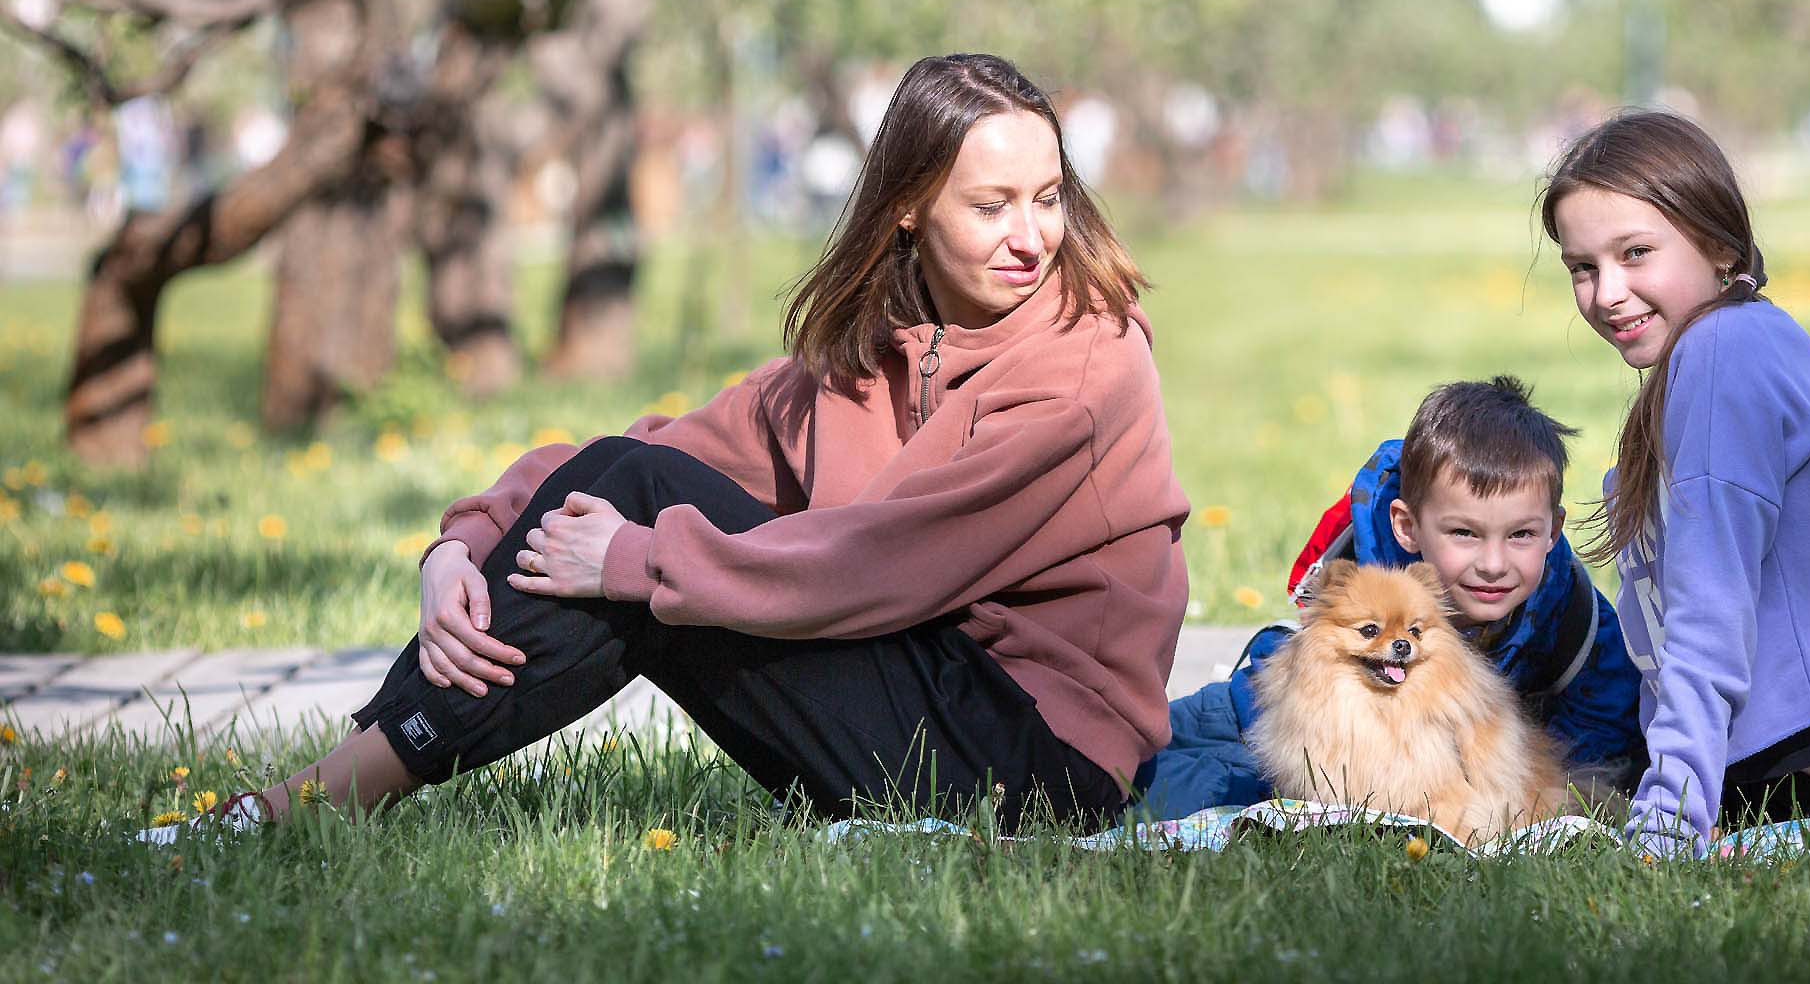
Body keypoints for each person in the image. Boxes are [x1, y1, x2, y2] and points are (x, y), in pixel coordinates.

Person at [153, 53, 1185, 842]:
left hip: (1041, 767)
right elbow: (651, 447)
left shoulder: (1088, 365)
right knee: (631, 478)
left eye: (1048, 197)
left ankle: (306, 802)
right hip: (916, 713)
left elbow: (889, 561)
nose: (1031, 234)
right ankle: (346, 776)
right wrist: (458, 548)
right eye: (993, 202)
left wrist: (636, 561)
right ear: (908, 206)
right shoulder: (874, 350)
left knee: (639, 522)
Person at [1541, 109, 1810, 855]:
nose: (1607, 291)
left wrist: (1671, 817)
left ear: (1718, 244)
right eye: (1583, 268)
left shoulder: (1721, 356)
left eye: (1635, 253)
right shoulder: (1742, 332)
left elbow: (1711, 604)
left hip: (1808, 765)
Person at [1133, 376, 1643, 820]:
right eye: (1464, 533)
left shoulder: (1572, 614)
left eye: (1520, 536)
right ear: (1407, 526)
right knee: (1159, 751)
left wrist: (1535, 781)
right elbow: (1304, 668)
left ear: (1553, 530)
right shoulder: (1366, 565)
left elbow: (1605, 725)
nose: (1493, 563)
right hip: (1281, 699)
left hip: (1442, 756)